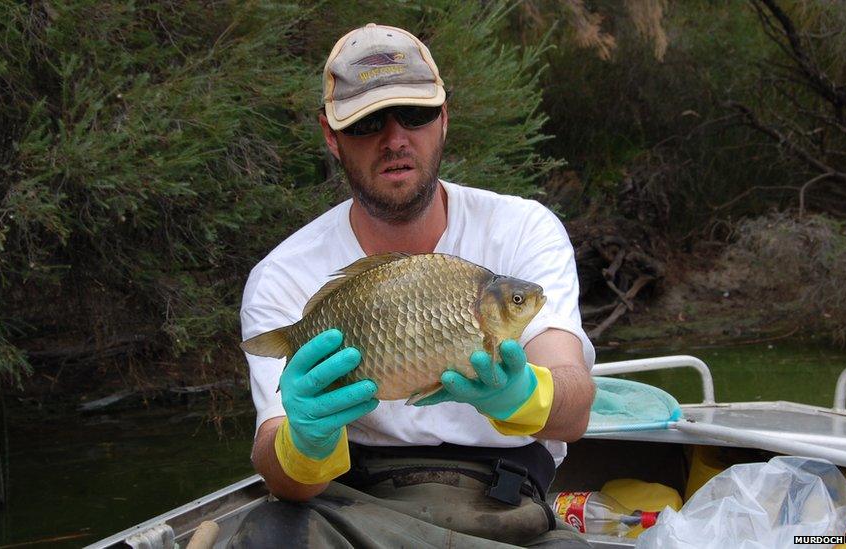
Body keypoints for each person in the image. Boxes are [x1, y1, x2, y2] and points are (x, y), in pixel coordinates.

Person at [235, 23, 596, 548]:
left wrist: (521, 396)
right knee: (268, 533)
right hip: (356, 509)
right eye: (367, 123)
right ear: (331, 138)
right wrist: (304, 441)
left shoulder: (523, 228)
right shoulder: (282, 274)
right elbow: (282, 474)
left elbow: (576, 406)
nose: (395, 138)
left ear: (444, 119)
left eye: (416, 115)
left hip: (509, 506)